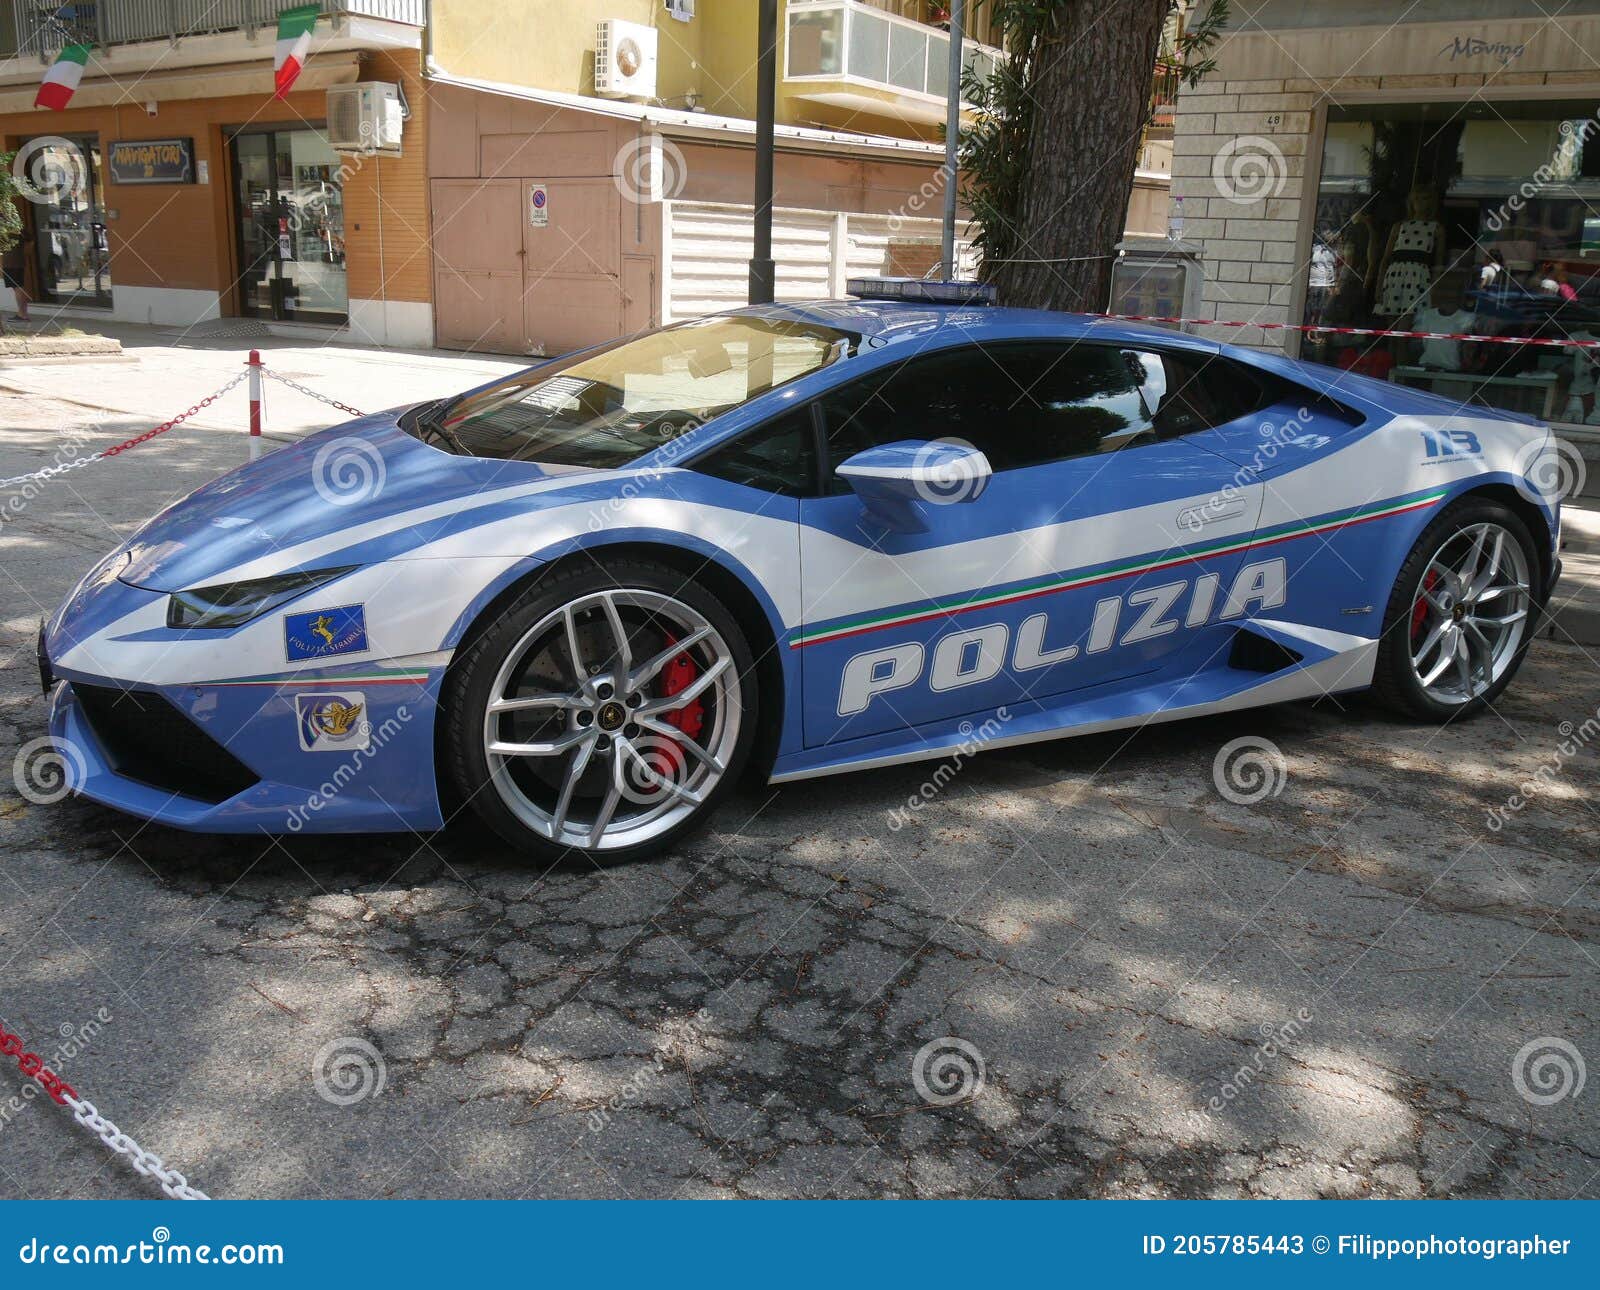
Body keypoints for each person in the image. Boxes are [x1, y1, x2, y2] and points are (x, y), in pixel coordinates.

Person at [2, 240, 31, 327]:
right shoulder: (19, 229)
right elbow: (30, 241)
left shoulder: (8, 228)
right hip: (17, 261)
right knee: (19, 287)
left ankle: (22, 314)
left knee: (17, 287)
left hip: (10, 262)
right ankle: (23, 313)